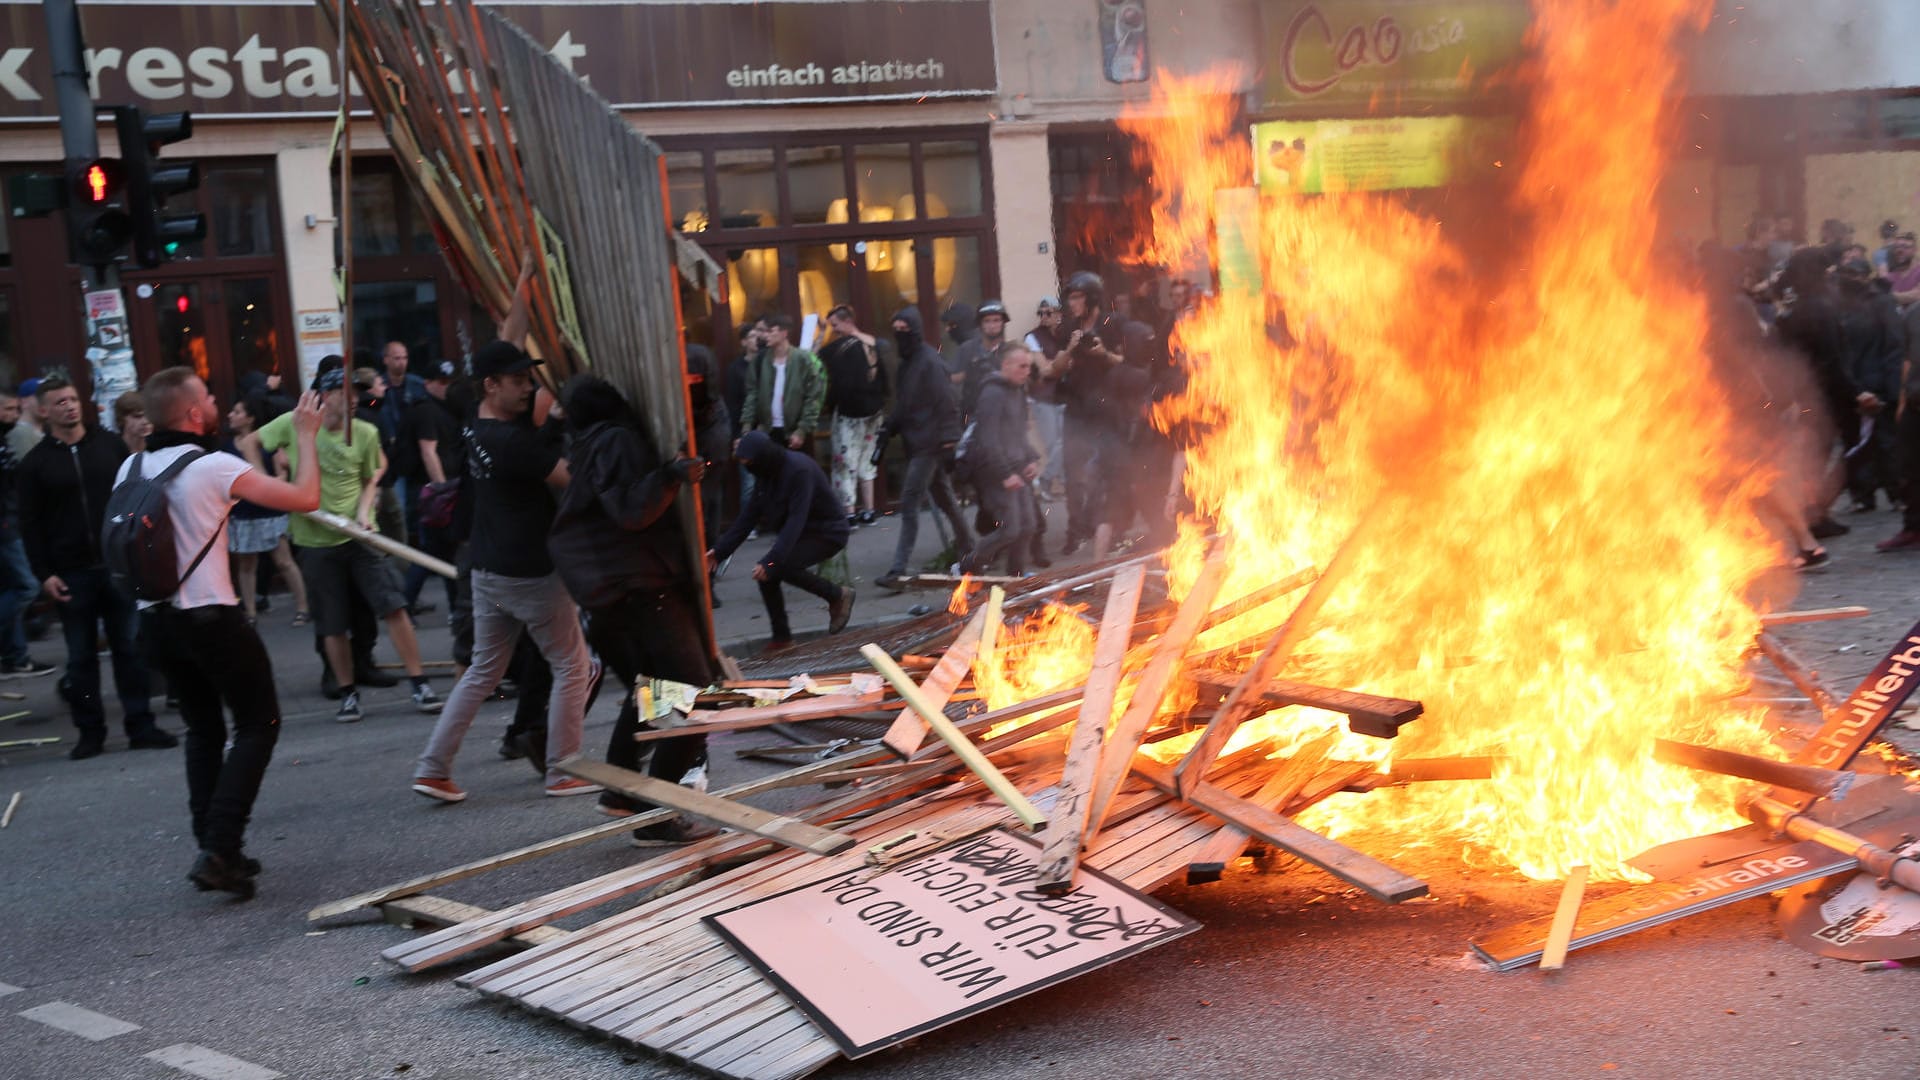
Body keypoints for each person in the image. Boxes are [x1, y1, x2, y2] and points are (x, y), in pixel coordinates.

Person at [117, 367, 324, 899]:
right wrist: (304, 435)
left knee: (204, 729)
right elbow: (304, 498)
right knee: (259, 722)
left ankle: (213, 846)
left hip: (155, 620)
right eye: (207, 397)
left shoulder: (130, 466)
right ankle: (220, 846)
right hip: (210, 616)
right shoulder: (212, 466)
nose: (214, 401)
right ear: (191, 413)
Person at [413, 263, 600, 802]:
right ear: (493, 386)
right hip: (530, 572)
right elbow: (572, 481)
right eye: (519, 382)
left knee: (482, 672)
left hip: (488, 567)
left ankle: (432, 768)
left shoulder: (477, 421)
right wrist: (566, 425)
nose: (528, 388)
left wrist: (521, 286)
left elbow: (506, 341)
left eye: (529, 379)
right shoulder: (514, 443)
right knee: (574, 664)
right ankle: (565, 770)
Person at [548, 374, 718, 843]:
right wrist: (670, 475)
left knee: (655, 689)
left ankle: (622, 791)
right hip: (640, 586)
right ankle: (657, 812)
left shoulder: (585, 446)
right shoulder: (616, 439)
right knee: (690, 693)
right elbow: (631, 511)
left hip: (614, 591)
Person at [244, 363, 441, 721]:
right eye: (346, 395)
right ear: (326, 396)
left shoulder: (364, 432)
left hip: (360, 535)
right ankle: (348, 694)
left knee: (393, 605)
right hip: (315, 541)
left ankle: (420, 684)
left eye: (357, 395)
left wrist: (366, 511)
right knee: (332, 623)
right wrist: (271, 487)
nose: (354, 402)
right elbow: (249, 442)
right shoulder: (296, 424)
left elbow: (371, 478)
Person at [17, 373, 172, 759]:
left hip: (117, 564)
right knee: (81, 657)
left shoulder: (108, 446)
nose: (69, 406)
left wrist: (141, 550)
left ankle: (141, 725)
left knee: (129, 649)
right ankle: (90, 733)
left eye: (72, 398)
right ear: (44, 410)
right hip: (70, 573)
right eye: (60, 402)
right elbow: (30, 524)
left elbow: (135, 496)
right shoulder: (36, 464)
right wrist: (44, 574)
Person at [708, 430, 854, 652]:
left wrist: (771, 561)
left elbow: (796, 519)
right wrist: (719, 552)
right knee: (767, 574)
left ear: (761, 458)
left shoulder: (798, 471)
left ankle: (838, 595)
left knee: (778, 567)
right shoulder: (766, 474)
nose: (747, 468)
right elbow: (748, 518)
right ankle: (782, 637)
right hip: (803, 532)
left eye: (748, 462)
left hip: (827, 532)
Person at [875, 308, 974, 591]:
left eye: (904, 329)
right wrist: (890, 426)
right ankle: (970, 551)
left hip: (928, 444)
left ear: (915, 330)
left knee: (908, 501)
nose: (899, 334)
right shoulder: (909, 363)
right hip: (919, 441)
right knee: (945, 500)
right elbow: (906, 403)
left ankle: (898, 570)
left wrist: (948, 438)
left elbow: (947, 400)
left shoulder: (929, 362)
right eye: (896, 329)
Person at [1055, 270, 1128, 555]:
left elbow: (1131, 364)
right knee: (1073, 475)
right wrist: (1071, 349)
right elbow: (1055, 369)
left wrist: (1104, 355)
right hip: (1076, 411)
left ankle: (1111, 530)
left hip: (1108, 411)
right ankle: (1076, 531)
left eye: (1077, 297)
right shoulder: (1067, 329)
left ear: (1092, 298)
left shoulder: (1114, 324)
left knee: (1110, 473)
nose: (1072, 303)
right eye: (1070, 298)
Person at [223, 395, 309, 625]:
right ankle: (250, 612)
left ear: (250, 418)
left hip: (270, 511)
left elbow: (283, 471)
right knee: (246, 564)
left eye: (237, 411)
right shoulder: (226, 446)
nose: (231, 415)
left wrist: (272, 487)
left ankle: (303, 607)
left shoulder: (266, 442)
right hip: (241, 513)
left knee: (284, 561)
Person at [958, 345, 1041, 576]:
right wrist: (1005, 474)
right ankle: (965, 566)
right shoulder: (992, 393)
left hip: (1016, 467)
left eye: (1029, 366)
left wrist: (1031, 459)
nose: (1027, 371)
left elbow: (1018, 433)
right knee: (1010, 529)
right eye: (1022, 366)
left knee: (1028, 526)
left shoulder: (1017, 390)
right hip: (993, 470)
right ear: (1006, 365)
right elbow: (988, 439)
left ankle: (1015, 577)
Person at [402, 359, 465, 613]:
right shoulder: (426, 410)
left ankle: (455, 607)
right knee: (433, 552)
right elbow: (428, 452)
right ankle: (407, 601)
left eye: (449, 382)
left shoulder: (443, 408)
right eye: (441, 382)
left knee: (443, 552)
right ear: (428, 384)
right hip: (431, 493)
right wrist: (442, 492)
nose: (446, 387)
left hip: (439, 490)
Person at [819, 305, 891, 525]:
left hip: (849, 414)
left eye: (835, 325)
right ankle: (869, 511)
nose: (834, 330)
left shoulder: (838, 347)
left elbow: (812, 359)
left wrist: (820, 334)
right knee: (867, 461)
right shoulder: (874, 343)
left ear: (847, 321)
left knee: (845, 462)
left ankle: (849, 512)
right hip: (874, 411)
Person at [0, 389, 53, 679]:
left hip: (9, 521)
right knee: (26, 586)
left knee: (12, 586)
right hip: (6, 525)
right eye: (7, 409)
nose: (12, 415)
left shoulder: (6, 439)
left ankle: (15, 656)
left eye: (14, 409)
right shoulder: (13, 437)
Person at [740, 313, 826, 453]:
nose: (765, 336)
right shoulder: (760, 360)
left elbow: (813, 396)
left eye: (770, 331)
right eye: (764, 332)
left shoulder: (802, 359)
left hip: (794, 432)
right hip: (767, 431)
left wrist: (802, 430)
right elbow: (752, 395)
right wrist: (746, 426)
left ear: (784, 333)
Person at [1024, 296, 1069, 499]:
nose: (1043, 317)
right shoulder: (1032, 337)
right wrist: (1061, 364)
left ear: (1059, 314)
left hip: (1064, 396)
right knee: (1054, 444)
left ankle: (1056, 483)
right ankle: (1047, 482)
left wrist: (1055, 365)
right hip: (1042, 398)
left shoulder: (1066, 335)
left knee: (1066, 442)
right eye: (1040, 313)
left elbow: (1069, 365)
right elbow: (1045, 370)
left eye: (1048, 312)